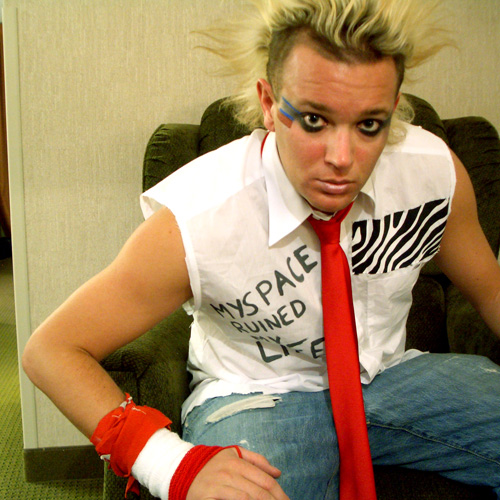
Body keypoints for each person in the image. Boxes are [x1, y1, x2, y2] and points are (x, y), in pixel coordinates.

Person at [22, 0, 500, 499]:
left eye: (369, 125)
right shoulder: (201, 215)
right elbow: (52, 350)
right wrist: (171, 464)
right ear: (270, 103)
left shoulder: (431, 174)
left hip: (387, 378)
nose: (342, 159)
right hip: (256, 395)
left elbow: (490, 291)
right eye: (313, 120)